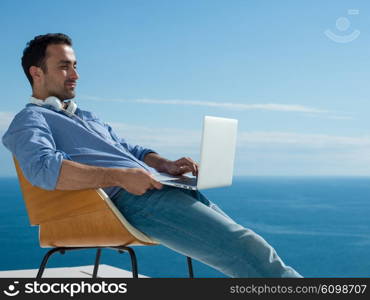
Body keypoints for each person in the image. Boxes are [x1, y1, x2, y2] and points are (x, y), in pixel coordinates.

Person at [2, 33, 302, 278]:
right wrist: (120, 176)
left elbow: (129, 150)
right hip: (127, 201)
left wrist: (164, 164)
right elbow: (42, 169)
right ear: (36, 73)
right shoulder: (31, 120)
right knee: (247, 249)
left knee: (247, 242)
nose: (76, 75)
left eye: (76, 65)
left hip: (155, 187)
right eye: (65, 66)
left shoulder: (87, 116)